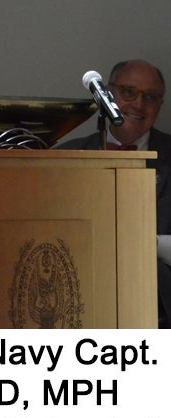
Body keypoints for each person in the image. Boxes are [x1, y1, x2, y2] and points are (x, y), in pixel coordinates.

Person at [58, 59, 171, 327]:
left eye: (150, 97)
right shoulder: (65, 156)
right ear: (108, 94)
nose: (138, 104)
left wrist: (152, 244)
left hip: (159, 308)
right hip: (80, 304)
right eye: (128, 92)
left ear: (160, 105)